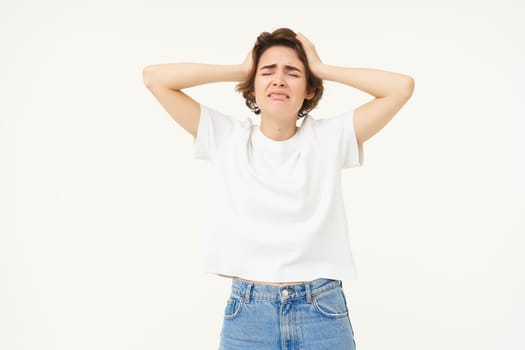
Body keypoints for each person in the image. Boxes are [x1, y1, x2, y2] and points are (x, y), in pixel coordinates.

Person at [143, 28, 414, 350]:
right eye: (267, 72)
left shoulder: (329, 138)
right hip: (249, 314)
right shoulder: (227, 136)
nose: (279, 80)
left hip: (321, 310)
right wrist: (240, 69)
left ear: (310, 90)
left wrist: (322, 68)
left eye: (293, 72)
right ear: (252, 87)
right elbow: (154, 78)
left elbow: (401, 87)